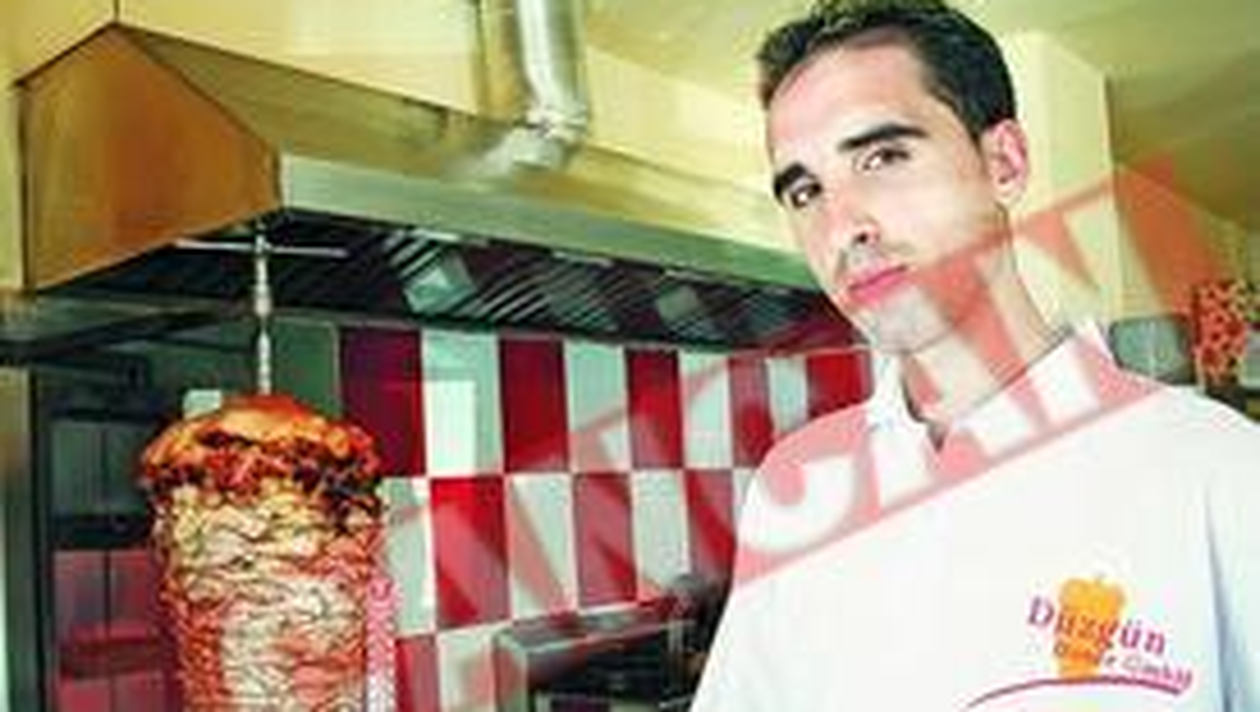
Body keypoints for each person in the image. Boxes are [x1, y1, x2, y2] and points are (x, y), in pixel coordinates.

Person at [690, 1, 1260, 709]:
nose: (841, 228)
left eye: (883, 157)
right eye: (805, 190)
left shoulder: (1221, 469)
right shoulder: (793, 489)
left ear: (1004, 163)